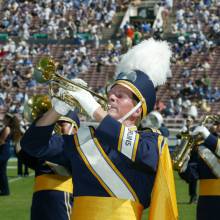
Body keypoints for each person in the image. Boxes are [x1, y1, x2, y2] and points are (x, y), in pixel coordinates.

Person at [20, 39, 178, 220]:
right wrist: (58, 109)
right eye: (111, 93)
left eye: (120, 96)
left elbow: (144, 154)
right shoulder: (84, 140)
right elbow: (32, 145)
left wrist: (94, 110)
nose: (111, 97)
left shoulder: (150, 140)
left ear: (137, 111)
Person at [17, 110, 80, 220]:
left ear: (74, 128)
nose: (57, 128)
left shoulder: (72, 144)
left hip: (61, 197)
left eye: (62, 124)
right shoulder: (50, 144)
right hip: (39, 197)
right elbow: (25, 154)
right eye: (55, 124)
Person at [179, 122, 220, 220]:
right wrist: (184, 168)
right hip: (207, 205)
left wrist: (209, 137)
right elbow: (194, 174)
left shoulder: (210, 141)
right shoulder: (204, 146)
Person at [0, 113, 22, 196]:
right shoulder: (7, 128)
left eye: (5, 118)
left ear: (8, 119)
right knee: (2, 171)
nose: (3, 119)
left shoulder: (7, 128)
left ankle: (5, 191)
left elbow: (2, 140)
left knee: (2, 172)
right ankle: (5, 190)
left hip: (3, 152)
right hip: (4, 152)